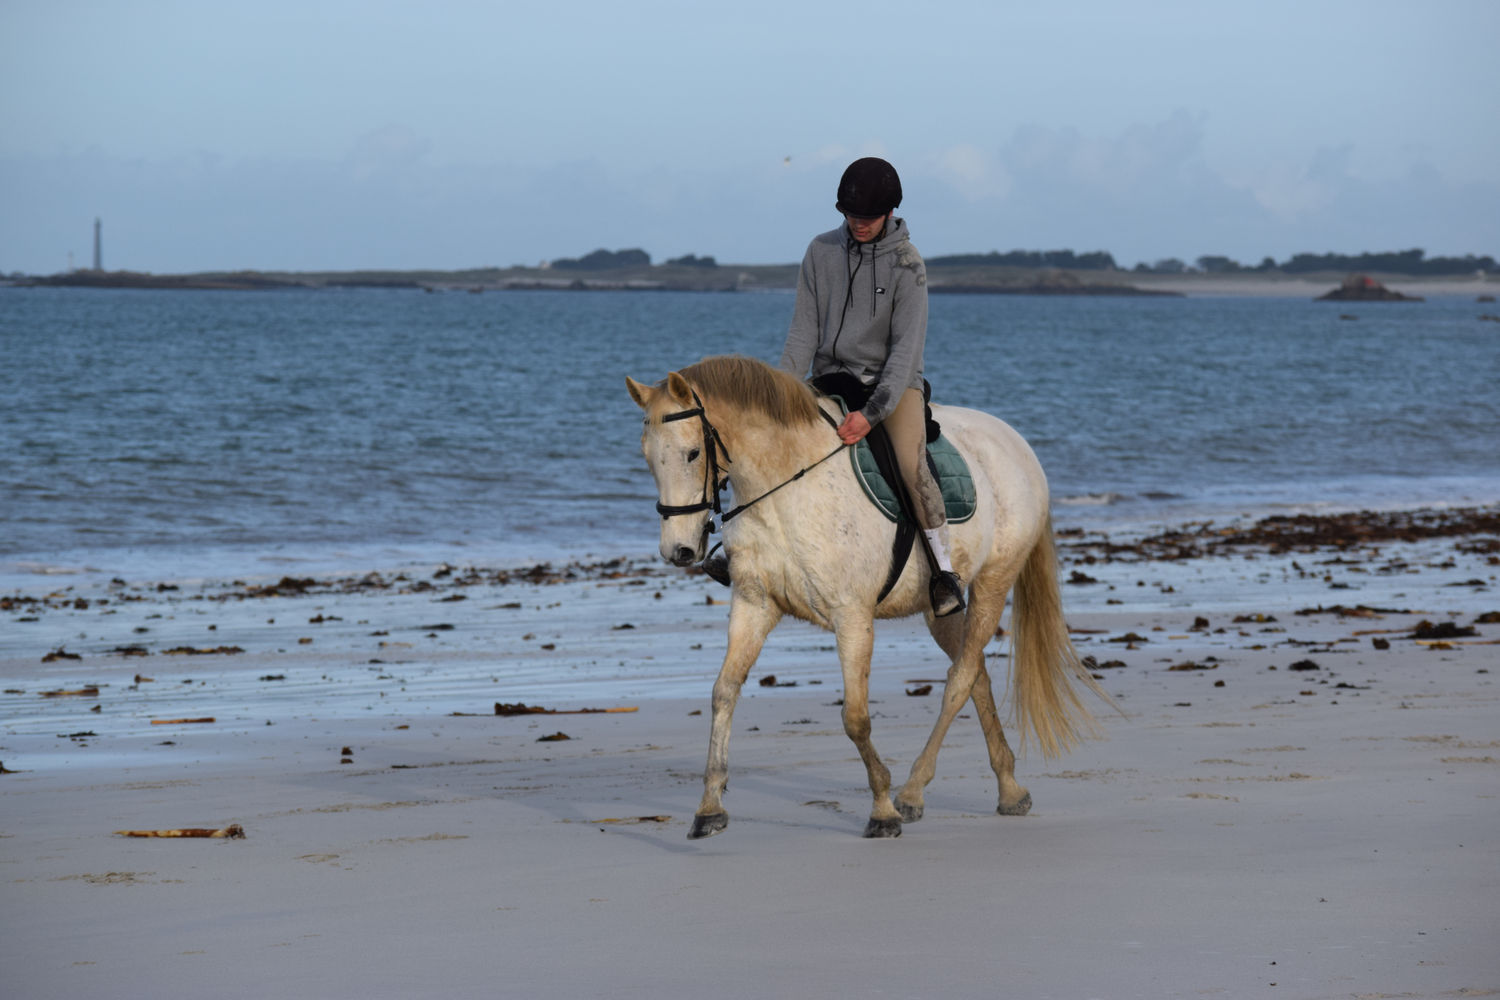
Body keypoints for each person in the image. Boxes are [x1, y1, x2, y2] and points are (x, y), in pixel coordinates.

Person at [703, 157, 965, 617]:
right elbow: (803, 333)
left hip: (892, 385)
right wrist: (777, 395)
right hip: (829, 377)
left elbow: (906, 352)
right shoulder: (820, 252)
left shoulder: (909, 264)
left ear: (890, 212)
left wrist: (872, 414)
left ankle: (944, 573)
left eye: (867, 217)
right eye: (850, 216)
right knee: (763, 442)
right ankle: (739, 548)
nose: (858, 224)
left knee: (908, 461)